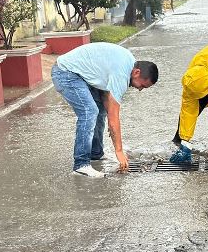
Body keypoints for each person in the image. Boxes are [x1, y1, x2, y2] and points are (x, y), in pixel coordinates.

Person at [51, 42, 158, 178]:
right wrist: (119, 151)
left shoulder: (129, 64)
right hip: (66, 73)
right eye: (142, 85)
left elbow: (107, 97)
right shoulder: (122, 74)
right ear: (137, 72)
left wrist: (110, 119)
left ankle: (96, 153)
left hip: (80, 75)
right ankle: (81, 164)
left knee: (100, 110)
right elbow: (114, 118)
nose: (140, 89)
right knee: (89, 112)